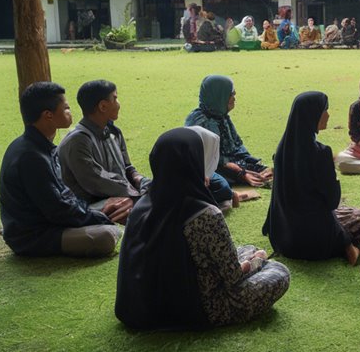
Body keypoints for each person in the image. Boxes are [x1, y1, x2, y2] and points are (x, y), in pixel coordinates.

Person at [115, 127, 290, 330]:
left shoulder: (142, 206)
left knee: (246, 249)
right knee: (278, 271)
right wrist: (258, 261)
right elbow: (232, 276)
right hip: (197, 309)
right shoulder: (204, 214)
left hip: (139, 308)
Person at [0, 82, 121, 257]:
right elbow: (57, 210)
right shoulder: (31, 157)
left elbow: (63, 196)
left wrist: (93, 212)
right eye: (66, 108)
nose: (70, 112)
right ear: (48, 115)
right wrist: (98, 217)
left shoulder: (40, 146)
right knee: (106, 235)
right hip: (33, 236)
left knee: (106, 209)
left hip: (51, 221)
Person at [263, 92, 360, 263]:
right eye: (325, 110)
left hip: (284, 238)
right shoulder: (320, 153)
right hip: (316, 241)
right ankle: (351, 247)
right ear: (313, 115)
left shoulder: (282, 149)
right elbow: (331, 203)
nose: (328, 114)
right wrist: (344, 240)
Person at [58, 80, 149, 220]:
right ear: (103, 106)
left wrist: (141, 181)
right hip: (84, 206)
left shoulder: (113, 132)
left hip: (118, 193)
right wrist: (137, 195)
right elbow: (96, 181)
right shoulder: (78, 142)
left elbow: (127, 168)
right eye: (115, 98)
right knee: (143, 212)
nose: (118, 104)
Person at [184, 75, 273, 190]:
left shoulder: (221, 116)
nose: (234, 97)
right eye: (231, 94)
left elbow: (236, 145)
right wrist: (240, 172)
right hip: (209, 165)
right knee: (220, 182)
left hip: (226, 161)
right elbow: (209, 159)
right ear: (219, 96)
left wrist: (251, 162)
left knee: (262, 172)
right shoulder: (200, 122)